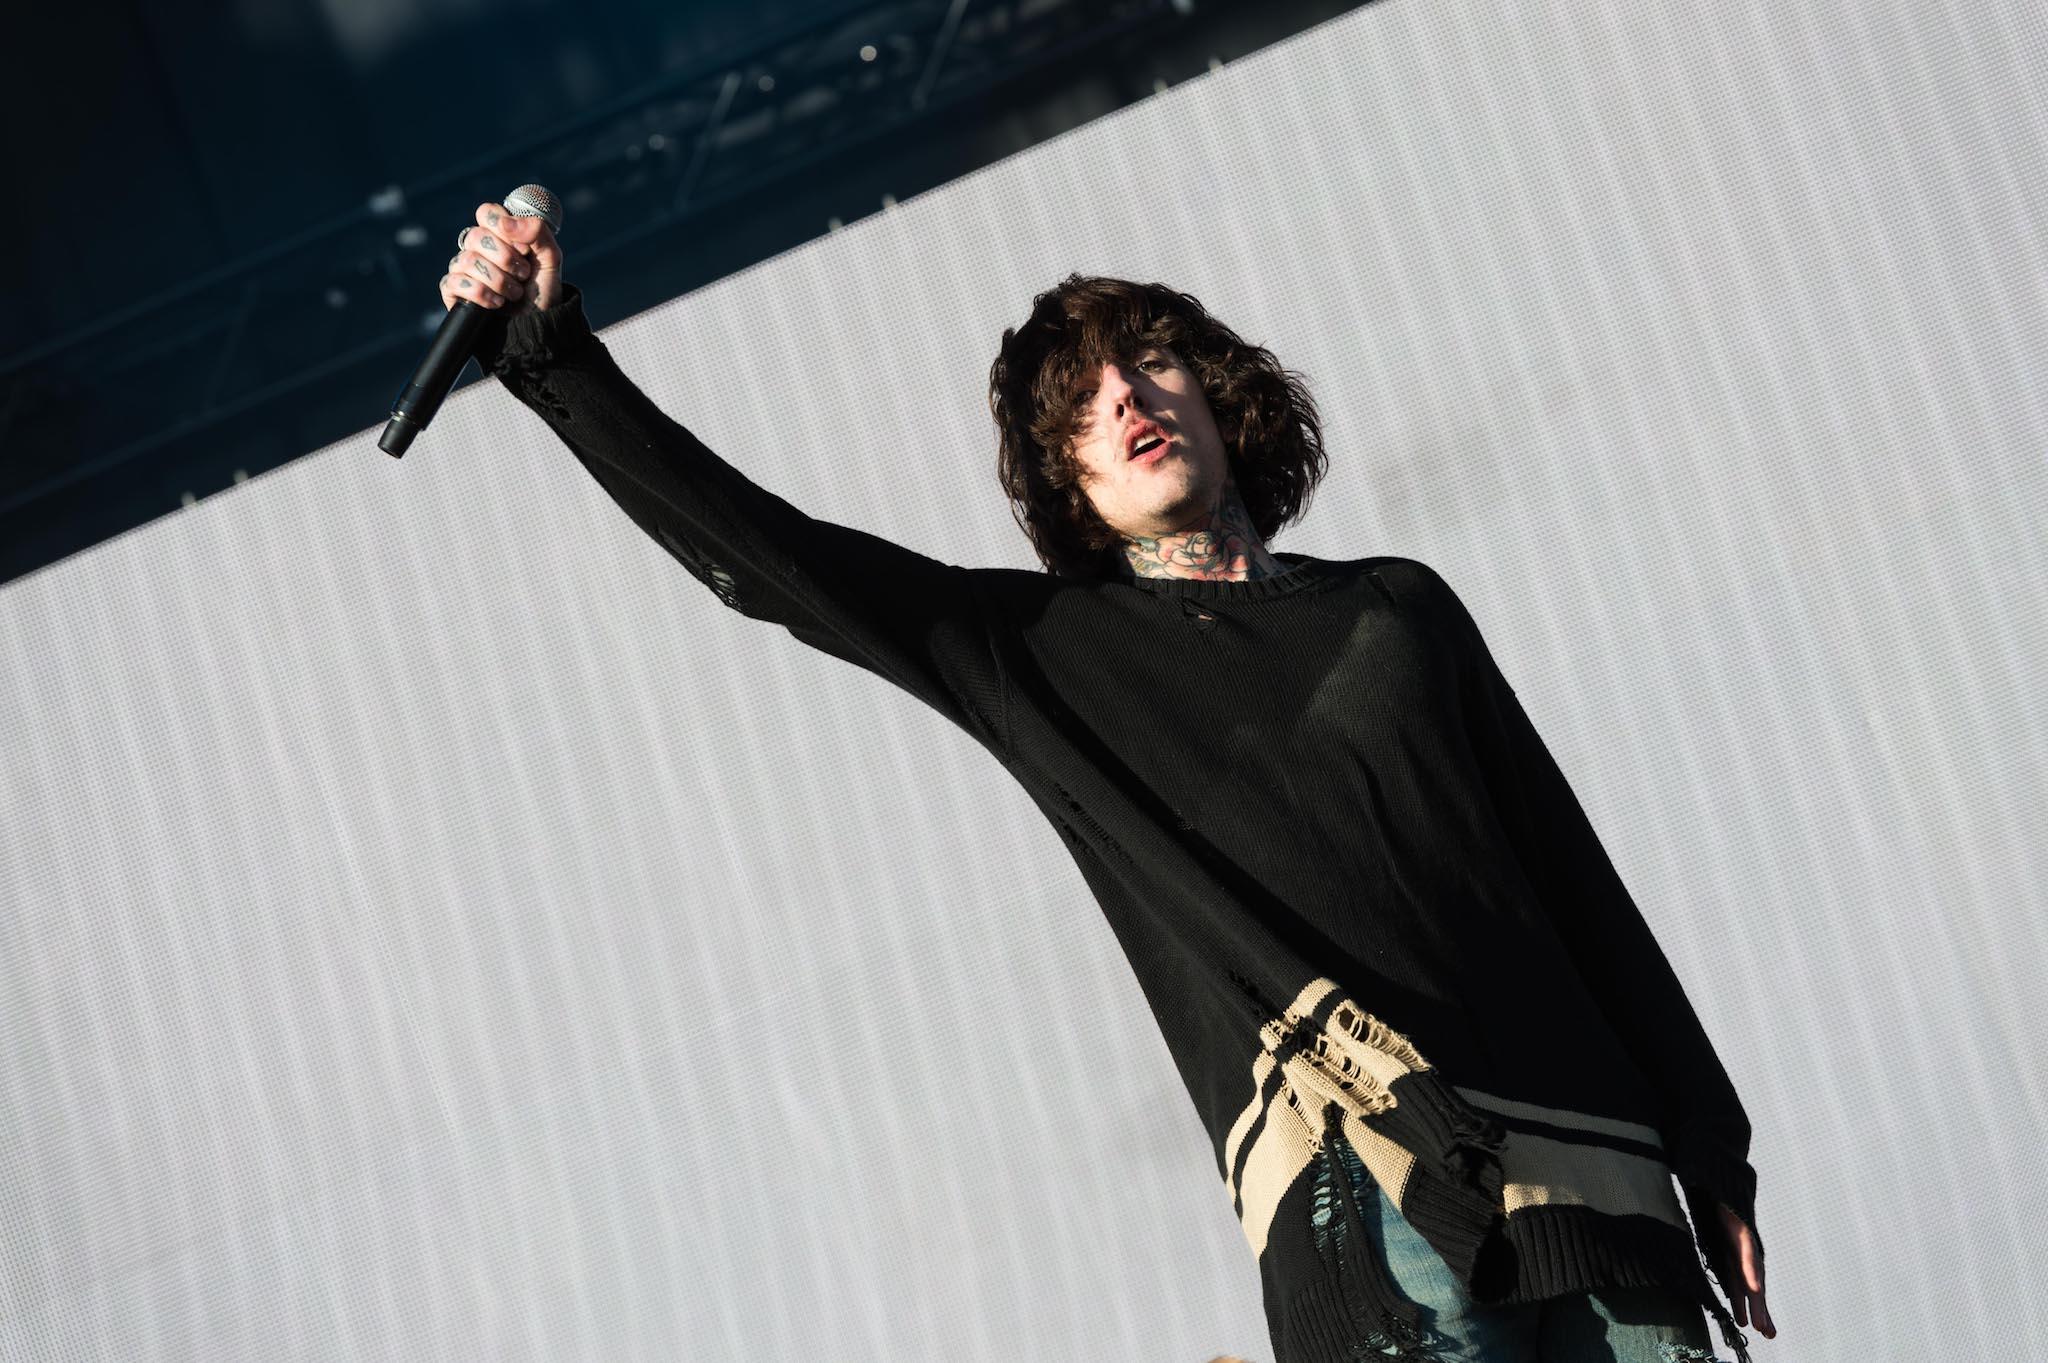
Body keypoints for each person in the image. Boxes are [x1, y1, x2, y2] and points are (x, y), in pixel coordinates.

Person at [439, 202, 1777, 1363]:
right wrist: (555, 362)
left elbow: (1571, 877)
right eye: (1082, 402)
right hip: (1364, 1186)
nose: (1124, 400)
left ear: (1217, 391)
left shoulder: (1400, 607)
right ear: (1065, 477)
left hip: (1605, 1179)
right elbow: (768, 562)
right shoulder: (1047, 659)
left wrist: (1707, 1143)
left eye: (1145, 364)